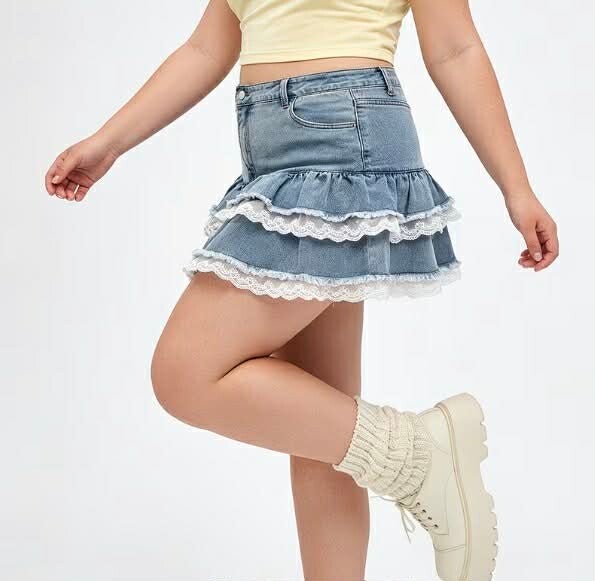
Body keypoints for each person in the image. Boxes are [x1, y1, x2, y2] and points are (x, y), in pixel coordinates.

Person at [44, 0, 559, 579]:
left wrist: (517, 188)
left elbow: (455, 48)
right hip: (273, 155)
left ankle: (419, 453)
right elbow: (207, 48)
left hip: (345, 143)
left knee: (184, 373)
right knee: (322, 434)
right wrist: (109, 142)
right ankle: (409, 462)